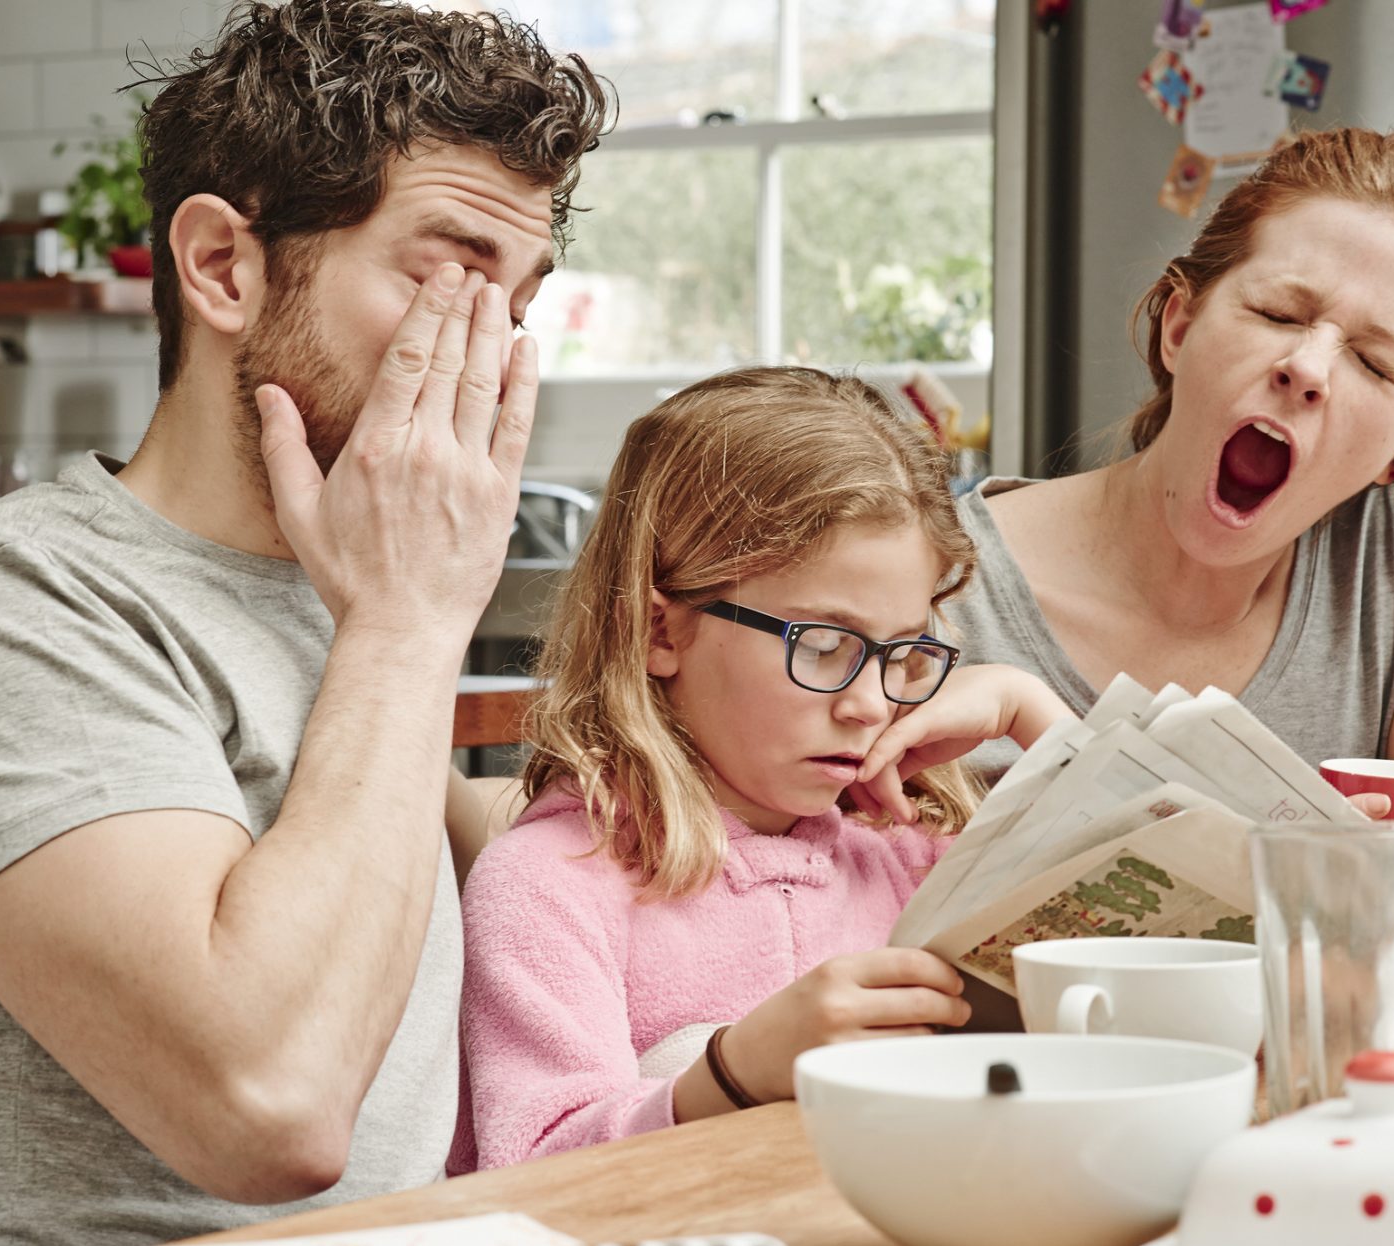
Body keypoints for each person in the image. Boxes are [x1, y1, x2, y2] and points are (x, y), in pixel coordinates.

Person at [0, 1, 609, 1246]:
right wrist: (406, 627)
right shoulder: (3, 606)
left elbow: (515, 890)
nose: (493, 354)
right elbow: (267, 1105)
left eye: (517, 301)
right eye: (451, 274)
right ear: (223, 267)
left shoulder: (337, 588)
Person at [855, 128, 1394, 988]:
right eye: (1278, 314)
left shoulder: (1392, 576)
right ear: (1180, 324)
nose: (1308, 367)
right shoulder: (930, 584)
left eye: (1378, 365)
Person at [449, 367, 1073, 1172]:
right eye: (822, 645)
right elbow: (533, 1173)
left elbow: (1173, 975)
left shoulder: (911, 858)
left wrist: (1033, 712)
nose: (868, 705)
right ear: (657, 629)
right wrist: (729, 1075)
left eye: (902, 654)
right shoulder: (548, 888)